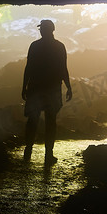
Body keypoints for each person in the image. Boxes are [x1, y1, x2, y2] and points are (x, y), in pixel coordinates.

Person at [22, 19, 72, 164]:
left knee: (33, 120)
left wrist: (24, 86)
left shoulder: (35, 46)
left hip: (36, 88)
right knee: (50, 121)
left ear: (45, 30)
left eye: (42, 29)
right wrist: (68, 87)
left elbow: (29, 67)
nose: (41, 31)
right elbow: (63, 68)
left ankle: (28, 151)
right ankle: (48, 155)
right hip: (52, 88)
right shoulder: (59, 47)